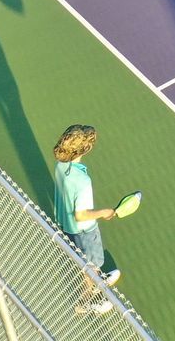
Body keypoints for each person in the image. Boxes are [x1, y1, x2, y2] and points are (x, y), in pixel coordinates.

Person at [53, 125, 124, 316]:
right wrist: (104, 212)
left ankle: (94, 283)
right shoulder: (82, 181)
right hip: (85, 230)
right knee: (91, 264)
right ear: (85, 149)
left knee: (85, 261)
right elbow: (81, 214)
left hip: (67, 226)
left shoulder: (60, 166)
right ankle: (87, 302)